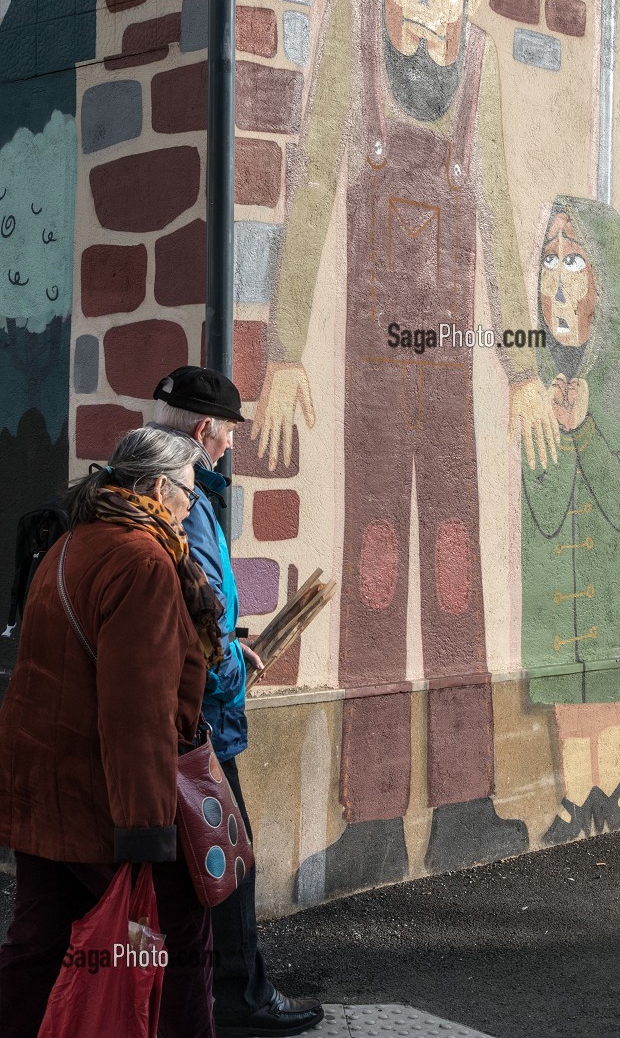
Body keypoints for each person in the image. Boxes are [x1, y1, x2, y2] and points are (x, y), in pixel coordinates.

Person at [254, 0, 558, 895]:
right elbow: (308, 182)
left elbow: (506, 215)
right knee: (377, 565)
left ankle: (468, 802)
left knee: (460, 563)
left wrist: (521, 369)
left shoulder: (478, 61)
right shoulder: (353, 28)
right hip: (375, 363)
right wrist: (284, 348)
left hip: (457, 361)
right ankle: (378, 818)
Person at [0, 427, 221, 1038]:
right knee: (176, 940)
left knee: (39, 944)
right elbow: (138, 710)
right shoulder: (144, 560)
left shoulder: (73, 543)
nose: (191, 508)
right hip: (105, 798)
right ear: (156, 487)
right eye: (189, 495)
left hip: (44, 788)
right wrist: (147, 835)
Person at [151, 365, 322, 1036]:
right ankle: (239, 1000)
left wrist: (231, 644)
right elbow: (193, 610)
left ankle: (197, 996)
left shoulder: (149, 487)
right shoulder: (184, 500)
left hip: (177, 714)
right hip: (198, 726)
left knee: (190, 869)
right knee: (228, 861)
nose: (227, 447)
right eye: (226, 435)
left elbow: (200, 614)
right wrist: (225, 670)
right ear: (205, 431)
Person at [521, 198, 620, 844]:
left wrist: (583, 429)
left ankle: (610, 786)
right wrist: (551, 432)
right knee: (566, 681)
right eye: (548, 258)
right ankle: (578, 797)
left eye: (573, 259)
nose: (556, 276)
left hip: (613, 570)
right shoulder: (535, 372)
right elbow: (541, 503)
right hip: (554, 573)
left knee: (604, 676)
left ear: (606, 276)